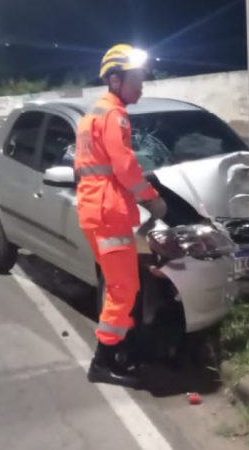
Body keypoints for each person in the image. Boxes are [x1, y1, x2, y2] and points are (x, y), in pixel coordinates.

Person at [75, 43, 168, 388]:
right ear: (115, 81)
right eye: (135, 79)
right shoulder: (114, 115)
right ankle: (103, 362)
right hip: (108, 209)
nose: (141, 85)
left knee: (120, 285)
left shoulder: (92, 114)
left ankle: (122, 354)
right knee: (124, 287)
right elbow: (126, 167)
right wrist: (152, 198)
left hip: (94, 207)